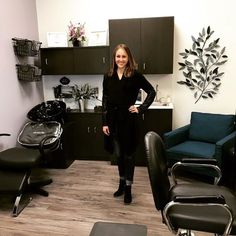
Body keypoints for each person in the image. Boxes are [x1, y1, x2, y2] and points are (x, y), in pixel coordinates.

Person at [102, 44, 156, 204]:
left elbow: (151, 91)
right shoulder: (108, 75)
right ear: (114, 58)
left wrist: (140, 108)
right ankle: (121, 184)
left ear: (129, 58)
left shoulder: (135, 75)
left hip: (129, 121)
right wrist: (104, 122)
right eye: (118, 56)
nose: (120, 59)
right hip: (113, 121)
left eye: (123, 56)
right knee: (118, 155)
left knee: (129, 156)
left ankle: (128, 189)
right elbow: (105, 99)